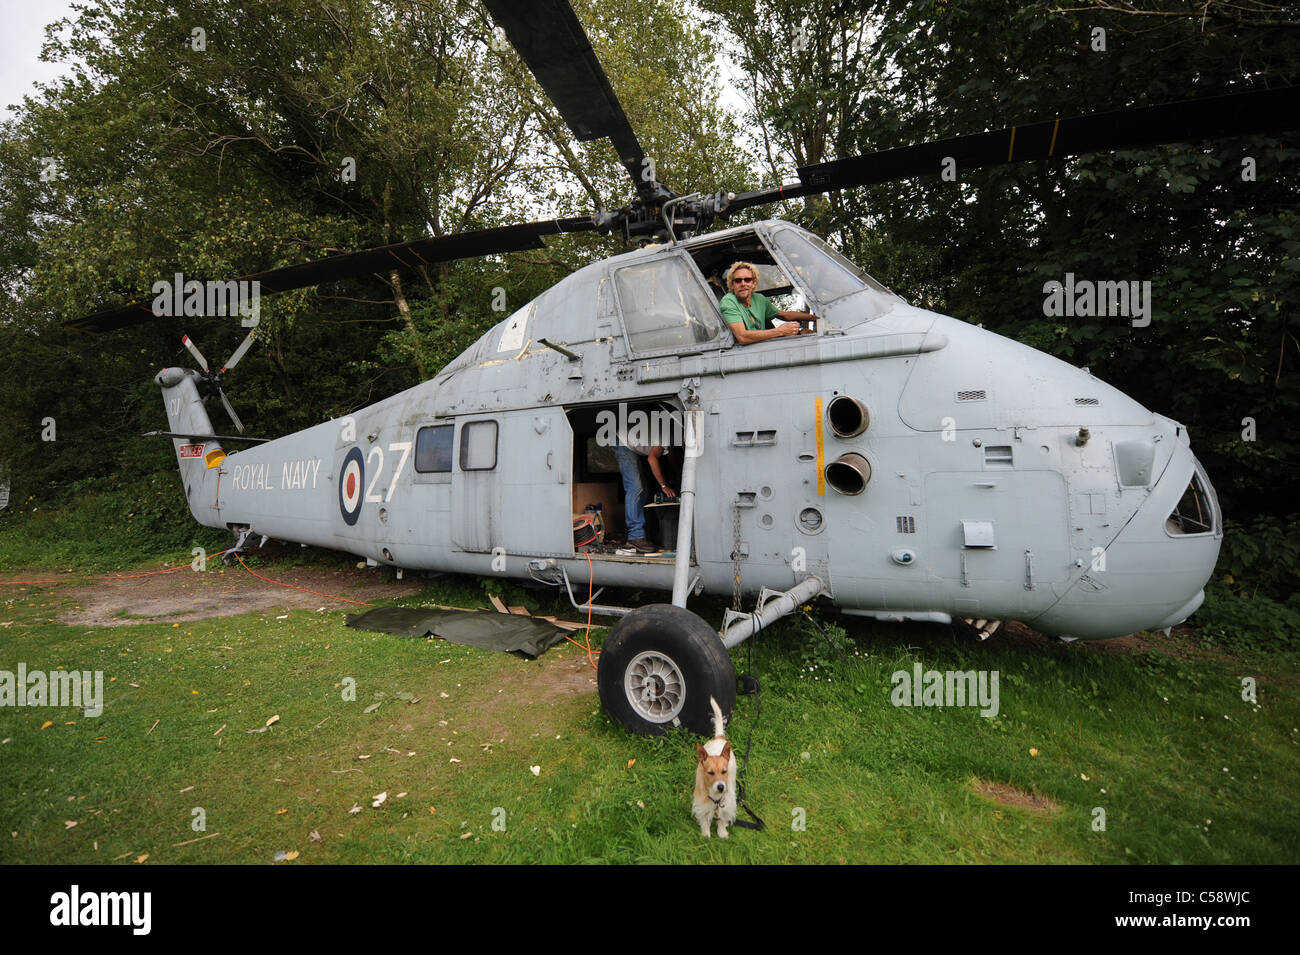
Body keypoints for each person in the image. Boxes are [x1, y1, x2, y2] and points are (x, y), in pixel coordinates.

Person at [719, 261, 818, 344]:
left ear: (753, 283)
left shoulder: (759, 299)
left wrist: (816, 318)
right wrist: (780, 331)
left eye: (747, 280)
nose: (743, 283)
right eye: (738, 280)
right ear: (732, 285)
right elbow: (743, 337)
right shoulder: (728, 301)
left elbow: (785, 315)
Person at [613, 431, 675, 554]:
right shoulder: (667, 437)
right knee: (635, 488)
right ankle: (635, 537)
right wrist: (664, 485)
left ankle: (636, 532)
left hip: (629, 441)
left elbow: (671, 458)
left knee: (643, 491)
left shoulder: (672, 440)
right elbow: (652, 459)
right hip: (622, 441)